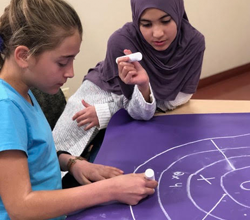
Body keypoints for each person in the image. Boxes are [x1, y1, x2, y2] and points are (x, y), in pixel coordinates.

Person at [0, 0, 158, 219]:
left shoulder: (23, 93)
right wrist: (109, 190)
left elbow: (33, 156)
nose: (71, 72)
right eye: (62, 62)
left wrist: (72, 162)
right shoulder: (5, 108)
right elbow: (21, 207)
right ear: (23, 56)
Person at [53, 0, 205, 184]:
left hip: (134, 108)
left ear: (178, 14)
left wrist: (109, 112)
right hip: (102, 91)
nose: (157, 33)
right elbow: (131, 102)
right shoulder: (121, 41)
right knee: (55, 166)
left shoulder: (193, 43)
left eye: (166, 21)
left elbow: (179, 99)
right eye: (146, 24)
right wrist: (128, 102)